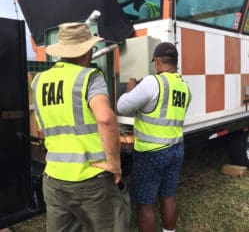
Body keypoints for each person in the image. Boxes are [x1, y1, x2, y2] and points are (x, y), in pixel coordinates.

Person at [31, 22, 130, 232]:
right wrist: (114, 163)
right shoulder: (89, 77)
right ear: (86, 50)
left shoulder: (38, 81)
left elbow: (43, 126)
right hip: (90, 177)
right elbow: (105, 118)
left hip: (54, 178)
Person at [117, 42, 191, 232]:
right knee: (168, 196)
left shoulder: (152, 82)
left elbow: (122, 107)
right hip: (176, 149)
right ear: (175, 62)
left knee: (144, 202)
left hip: (150, 152)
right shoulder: (184, 87)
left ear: (157, 62)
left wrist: (131, 89)